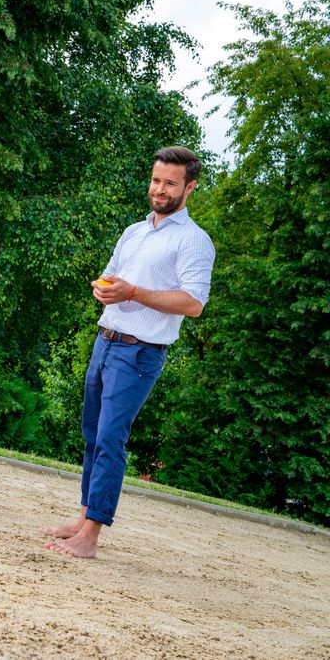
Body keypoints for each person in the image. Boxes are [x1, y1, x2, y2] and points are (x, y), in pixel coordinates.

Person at [43, 146, 215, 558]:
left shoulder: (194, 241)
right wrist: (105, 286)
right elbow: (112, 274)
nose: (159, 189)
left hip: (140, 354)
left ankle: (92, 536)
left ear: (189, 187)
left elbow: (193, 303)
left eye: (170, 183)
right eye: (156, 180)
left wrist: (134, 292)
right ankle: (84, 516)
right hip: (106, 340)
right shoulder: (135, 231)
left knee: (110, 439)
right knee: (91, 435)